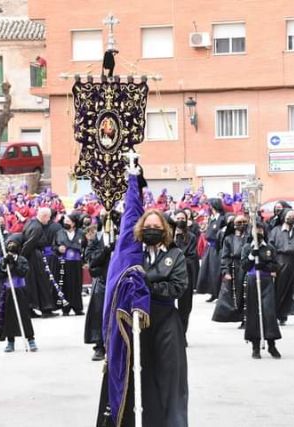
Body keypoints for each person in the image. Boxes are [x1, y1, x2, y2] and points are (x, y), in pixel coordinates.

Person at [97, 171, 188, 427]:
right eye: (147, 227)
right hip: (135, 324)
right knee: (137, 375)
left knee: (170, 379)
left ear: (165, 231)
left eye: (157, 228)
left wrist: (147, 285)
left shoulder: (175, 256)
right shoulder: (132, 255)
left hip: (165, 322)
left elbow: (178, 286)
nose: (151, 231)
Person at [241, 223, 282, 359]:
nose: (258, 232)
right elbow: (244, 266)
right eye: (255, 229)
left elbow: (276, 266)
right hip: (253, 281)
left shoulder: (269, 248)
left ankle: (271, 344)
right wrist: (252, 256)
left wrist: (264, 265)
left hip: (266, 282)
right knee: (254, 312)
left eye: (260, 230)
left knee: (268, 312)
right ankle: (255, 346)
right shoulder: (247, 247)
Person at [0, 234, 38, 352]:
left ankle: (30, 340)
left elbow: (23, 272)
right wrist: (5, 266)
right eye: (9, 244)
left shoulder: (22, 260)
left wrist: (14, 264)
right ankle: (10, 342)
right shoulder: (2, 260)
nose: (11, 246)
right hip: (8, 291)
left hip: (20, 291)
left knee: (24, 315)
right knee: (9, 316)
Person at [21, 207, 58, 318]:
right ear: (44, 216)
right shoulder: (37, 227)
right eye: (48, 218)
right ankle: (45, 308)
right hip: (34, 257)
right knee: (41, 282)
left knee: (34, 283)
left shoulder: (30, 222)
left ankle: (34, 308)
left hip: (32, 256)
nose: (48, 221)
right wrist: (22, 258)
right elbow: (28, 244)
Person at [212, 214, 248, 327]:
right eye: (239, 223)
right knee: (234, 296)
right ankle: (237, 316)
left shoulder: (249, 237)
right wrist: (226, 271)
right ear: (233, 225)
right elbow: (225, 256)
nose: (242, 225)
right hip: (234, 268)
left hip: (247, 267)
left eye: (244, 222)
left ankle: (246, 319)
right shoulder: (228, 238)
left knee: (247, 294)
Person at [84, 223, 112, 361]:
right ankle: (100, 346)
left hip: (120, 279)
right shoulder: (96, 239)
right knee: (99, 313)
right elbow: (91, 259)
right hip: (102, 281)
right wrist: (105, 251)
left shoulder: (122, 234)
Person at [172, 210, 198, 340]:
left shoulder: (191, 237)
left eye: (182, 218)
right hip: (170, 276)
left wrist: (177, 260)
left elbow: (192, 256)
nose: (180, 220)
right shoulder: (169, 235)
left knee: (185, 307)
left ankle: (182, 334)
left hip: (185, 275)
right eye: (178, 218)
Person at [53, 213, 85, 316]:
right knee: (64, 285)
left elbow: (85, 247)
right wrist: (58, 249)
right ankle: (65, 308)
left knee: (77, 285)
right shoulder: (59, 233)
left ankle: (77, 308)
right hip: (64, 262)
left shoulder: (81, 233)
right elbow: (54, 246)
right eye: (65, 221)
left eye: (68, 221)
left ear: (74, 223)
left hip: (76, 262)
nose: (65, 223)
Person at [196, 198, 226, 302]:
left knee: (216, 271)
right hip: (209, 248)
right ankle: (212, 293)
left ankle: (218, 293)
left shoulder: (222, 219)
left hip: (217, 248)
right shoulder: (212, 218)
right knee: (208, 271)